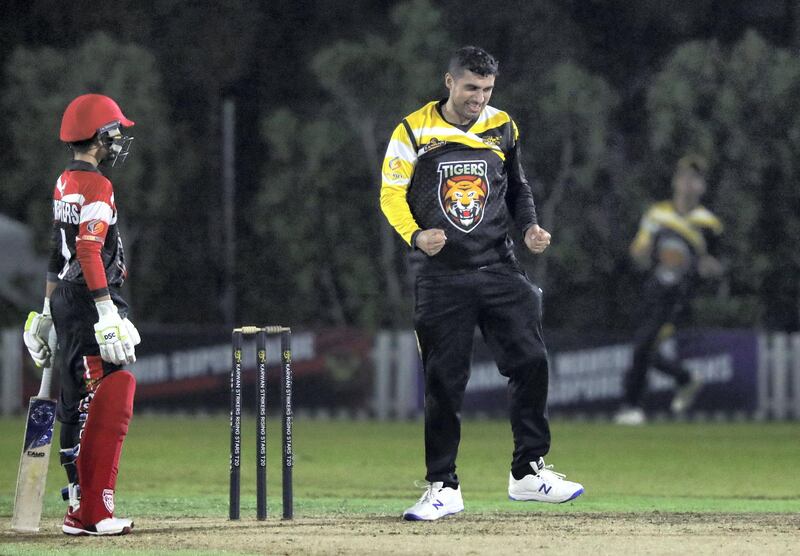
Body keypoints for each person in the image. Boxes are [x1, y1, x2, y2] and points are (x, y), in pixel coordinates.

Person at [380, 46, 584, 521]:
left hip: (498, 267)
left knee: (531, 361)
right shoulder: (413, 130)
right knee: (444, 383)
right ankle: (442, 487)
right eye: (471, 88)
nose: (479, 98)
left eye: (487, 89)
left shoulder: (503, 126)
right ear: (449, 82)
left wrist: (530, 227)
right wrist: (415, 233)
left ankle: (528, 472)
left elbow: (517, 186)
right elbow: (390, 193)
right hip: (441, 276)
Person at [22, 94, 141, 535]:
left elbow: (58, 252)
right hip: (91, 301)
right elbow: (88, 250)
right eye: (115, 131)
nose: (119, 138)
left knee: (75, 404)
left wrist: (48, 309)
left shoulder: (63, 180)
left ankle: (77, 502)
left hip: (68, 302)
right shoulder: (98, 185)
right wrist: (106, 311)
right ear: (100, 136)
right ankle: (92, 512)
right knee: (104, 399)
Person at [614, 154, 724, 426]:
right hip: (654, 291)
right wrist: (641, 251)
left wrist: (709, 267)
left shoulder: (709, 224)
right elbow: (639, 250)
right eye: (685, 177)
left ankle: (632, 406)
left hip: (681, 297)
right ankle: (685, 379)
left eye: (695, 179)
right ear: (676, 181)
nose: (689, 184)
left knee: (645, 345)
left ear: (702, 187)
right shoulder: (657, 214)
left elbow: (719, 265)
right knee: (646, 347)